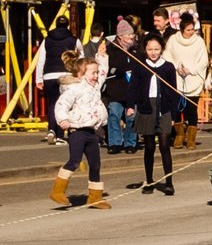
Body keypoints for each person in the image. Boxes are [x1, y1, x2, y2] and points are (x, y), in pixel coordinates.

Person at [50, 57, 111, 208]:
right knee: (74, 160)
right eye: (92, 73)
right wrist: (62, 119)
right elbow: (62, 104)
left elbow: (103, 73)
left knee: (95, 164)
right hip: (77, 130)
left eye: (96, 73)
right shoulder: (75, 89)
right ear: (81, 74)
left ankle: (95, 197)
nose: (96, 76)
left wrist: (102, 56)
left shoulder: (95, 87)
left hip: (91, 131)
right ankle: (57, 191)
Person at [130, 34, 183, 195]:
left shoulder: (167, 67)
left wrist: (174, 115)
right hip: (147, 107)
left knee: (165, 145)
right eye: (150, 49)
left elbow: (174, 92)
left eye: (156, 49)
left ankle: (169, 181)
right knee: (149, 147)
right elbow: (133, 87)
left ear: (161, 49)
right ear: (145, 50)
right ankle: (149, 181)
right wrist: (130, 106)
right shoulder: (140, 66)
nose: (153, 53)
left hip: (164, 108)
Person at [165, 13, 212, 151]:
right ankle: (179, 135)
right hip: (177, 79)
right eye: (188, 30)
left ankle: (191, 138)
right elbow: (167, 55)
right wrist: (177, 67)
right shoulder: (173, 40)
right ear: (182, 30)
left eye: (193, 29)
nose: (191, 32)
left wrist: (191, 70)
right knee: (177, 109)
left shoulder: (199, 41)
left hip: (193, 79)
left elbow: (204, 61)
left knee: (192, 110)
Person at [100, 21, 143, 153]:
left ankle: (130, 143)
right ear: (120, 37)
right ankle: (115, 143)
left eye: (132, 34)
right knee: (114, 115)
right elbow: (105, 67)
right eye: (128, 34)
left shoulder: (137, 49)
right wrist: (115, 70)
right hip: (116, 89)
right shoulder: (111, 49)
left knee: (131, 117)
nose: (132, 36)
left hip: (133, 89)